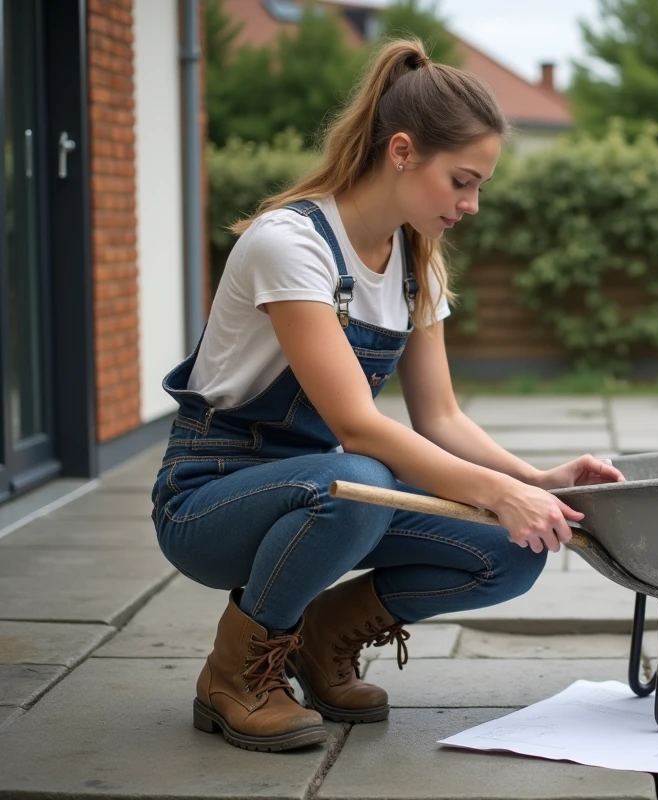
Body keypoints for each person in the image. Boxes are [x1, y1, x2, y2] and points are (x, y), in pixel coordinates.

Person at [151, 37, 624, 754]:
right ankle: (234, 679)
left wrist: (533, 481)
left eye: (480, 187)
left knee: (511, 549)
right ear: (402, 151)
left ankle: (320, 639)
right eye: (462, 181)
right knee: (357, 481)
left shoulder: (416, 263)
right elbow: (356, 424)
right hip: (210, 496)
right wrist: (497, 489)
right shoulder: (292, 245)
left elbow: (440, 416)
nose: (470, 205)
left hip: (322, 491)